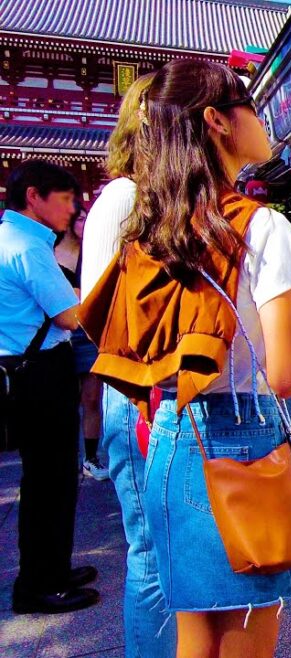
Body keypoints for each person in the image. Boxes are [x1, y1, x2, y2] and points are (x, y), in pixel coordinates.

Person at [80, 59, 291, 657]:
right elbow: (286, 376)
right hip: (246, 441)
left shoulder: (151, 231)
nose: (261, 120)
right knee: (247, 630)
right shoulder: (263, 228)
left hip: (171, 437)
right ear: (217, 120)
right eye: (249, 106)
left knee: (194, 632)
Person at [78, 72, 177, 655]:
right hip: (139, 388)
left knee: (172, 545)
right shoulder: (123, 197)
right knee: (149, 548)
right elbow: (98, 312)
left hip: (169, 389)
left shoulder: (160, 195)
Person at [1, 160, 99, 614]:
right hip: (40, 372)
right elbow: (67, 315)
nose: (72, 210)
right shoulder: (26, 245)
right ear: (34, 196)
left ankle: (53, 569)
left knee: (49, 478)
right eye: (65, 200)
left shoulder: (15, 239)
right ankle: (38, 585)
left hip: (28, 369)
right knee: (50, 481)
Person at [55, 203, 110, 480]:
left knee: (91, 397)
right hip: (57, 332)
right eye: (77, 219)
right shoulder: (49, 250)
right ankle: (66, 457)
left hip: (86, 331)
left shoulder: (92, 251)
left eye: (84, 218)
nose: (81, 223)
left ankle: (90, 457)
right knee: (64, 400)